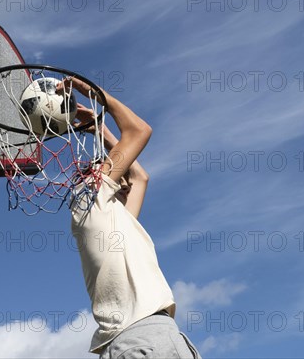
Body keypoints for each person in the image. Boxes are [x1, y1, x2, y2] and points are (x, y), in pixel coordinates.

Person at [57, 77, 201, 359]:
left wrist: (97, 129)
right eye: (115, 170)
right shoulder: (92, 201)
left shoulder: (107, 219)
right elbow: (138, 131)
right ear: (101, 179)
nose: (125, 177)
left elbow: (140, 176)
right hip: (145, 338)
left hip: (128, 343)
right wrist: (95, 93)